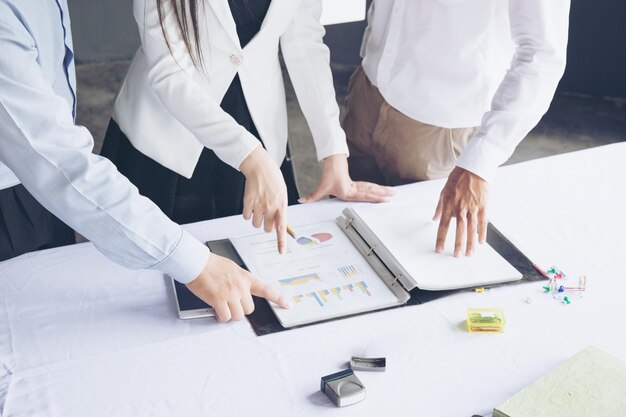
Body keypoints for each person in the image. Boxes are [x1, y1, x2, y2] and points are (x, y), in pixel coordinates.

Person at [0, 0, 289, 323]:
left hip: (42, 191)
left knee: (52, 313)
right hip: (14, 191)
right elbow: (60, 163)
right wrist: (196, 265)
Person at [100, 0, 393, 250]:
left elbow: (305, 40)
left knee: (261, 277)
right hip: (168, 140)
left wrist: (333, 153)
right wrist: (250, 156)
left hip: (258, 125)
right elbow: (169, 73)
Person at [343, 0, 570, 256]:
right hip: (367, 90)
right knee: (341, 238)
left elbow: (542, 56)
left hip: (439, 131)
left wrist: (482, 160)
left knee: (415, 259)